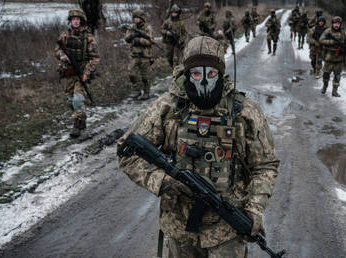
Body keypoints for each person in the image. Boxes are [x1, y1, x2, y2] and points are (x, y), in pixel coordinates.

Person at [117, 36, 279, 258]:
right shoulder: (168, 108)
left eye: (211, 74)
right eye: (195, 74)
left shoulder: (244, 112)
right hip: (179, 230)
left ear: (221, 73)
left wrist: (255, 209)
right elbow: (127, 152)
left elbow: (265, 165)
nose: (204, 82)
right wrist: (164, 182)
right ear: (186, 74)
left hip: (226, 233)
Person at [55, 8, 99, 138]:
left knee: (77, 100)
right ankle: (82, 119)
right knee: (69, 101)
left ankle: (76, 125)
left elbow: (95, 58)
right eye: (73, 19)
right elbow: (56, 50)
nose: (75, 21)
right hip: (68, 72)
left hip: (82, 72)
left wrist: (87, 72)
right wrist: (62, 56)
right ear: (70, 21)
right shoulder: (64, 36)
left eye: (78, 19)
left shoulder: (88, 37)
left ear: (82, 21)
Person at [125, 9, 154, 100]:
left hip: (145, 55)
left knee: (145, 76)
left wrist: (139, 40)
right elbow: (126, 39)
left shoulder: (147, 28)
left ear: (142, 18)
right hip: (135, 54)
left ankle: (146, 92)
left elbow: (150, 41)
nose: (135, 19)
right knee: (131, 73)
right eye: (134, 18)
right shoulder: (131, 27)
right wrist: (131, 35)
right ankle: (137, 90)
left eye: (137, 18)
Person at [319, 16, 346, 97]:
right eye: (335, 23)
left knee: (337, 76)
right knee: (326, 74)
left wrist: (344, 49)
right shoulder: (327, 31)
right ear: (332, 23)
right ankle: (324, 87)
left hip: (339, 59)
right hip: (329, 57)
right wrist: (331, 42)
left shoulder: (344, 33)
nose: (336, 25)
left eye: (338, 24)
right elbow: (321, 40)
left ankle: (334, 91)